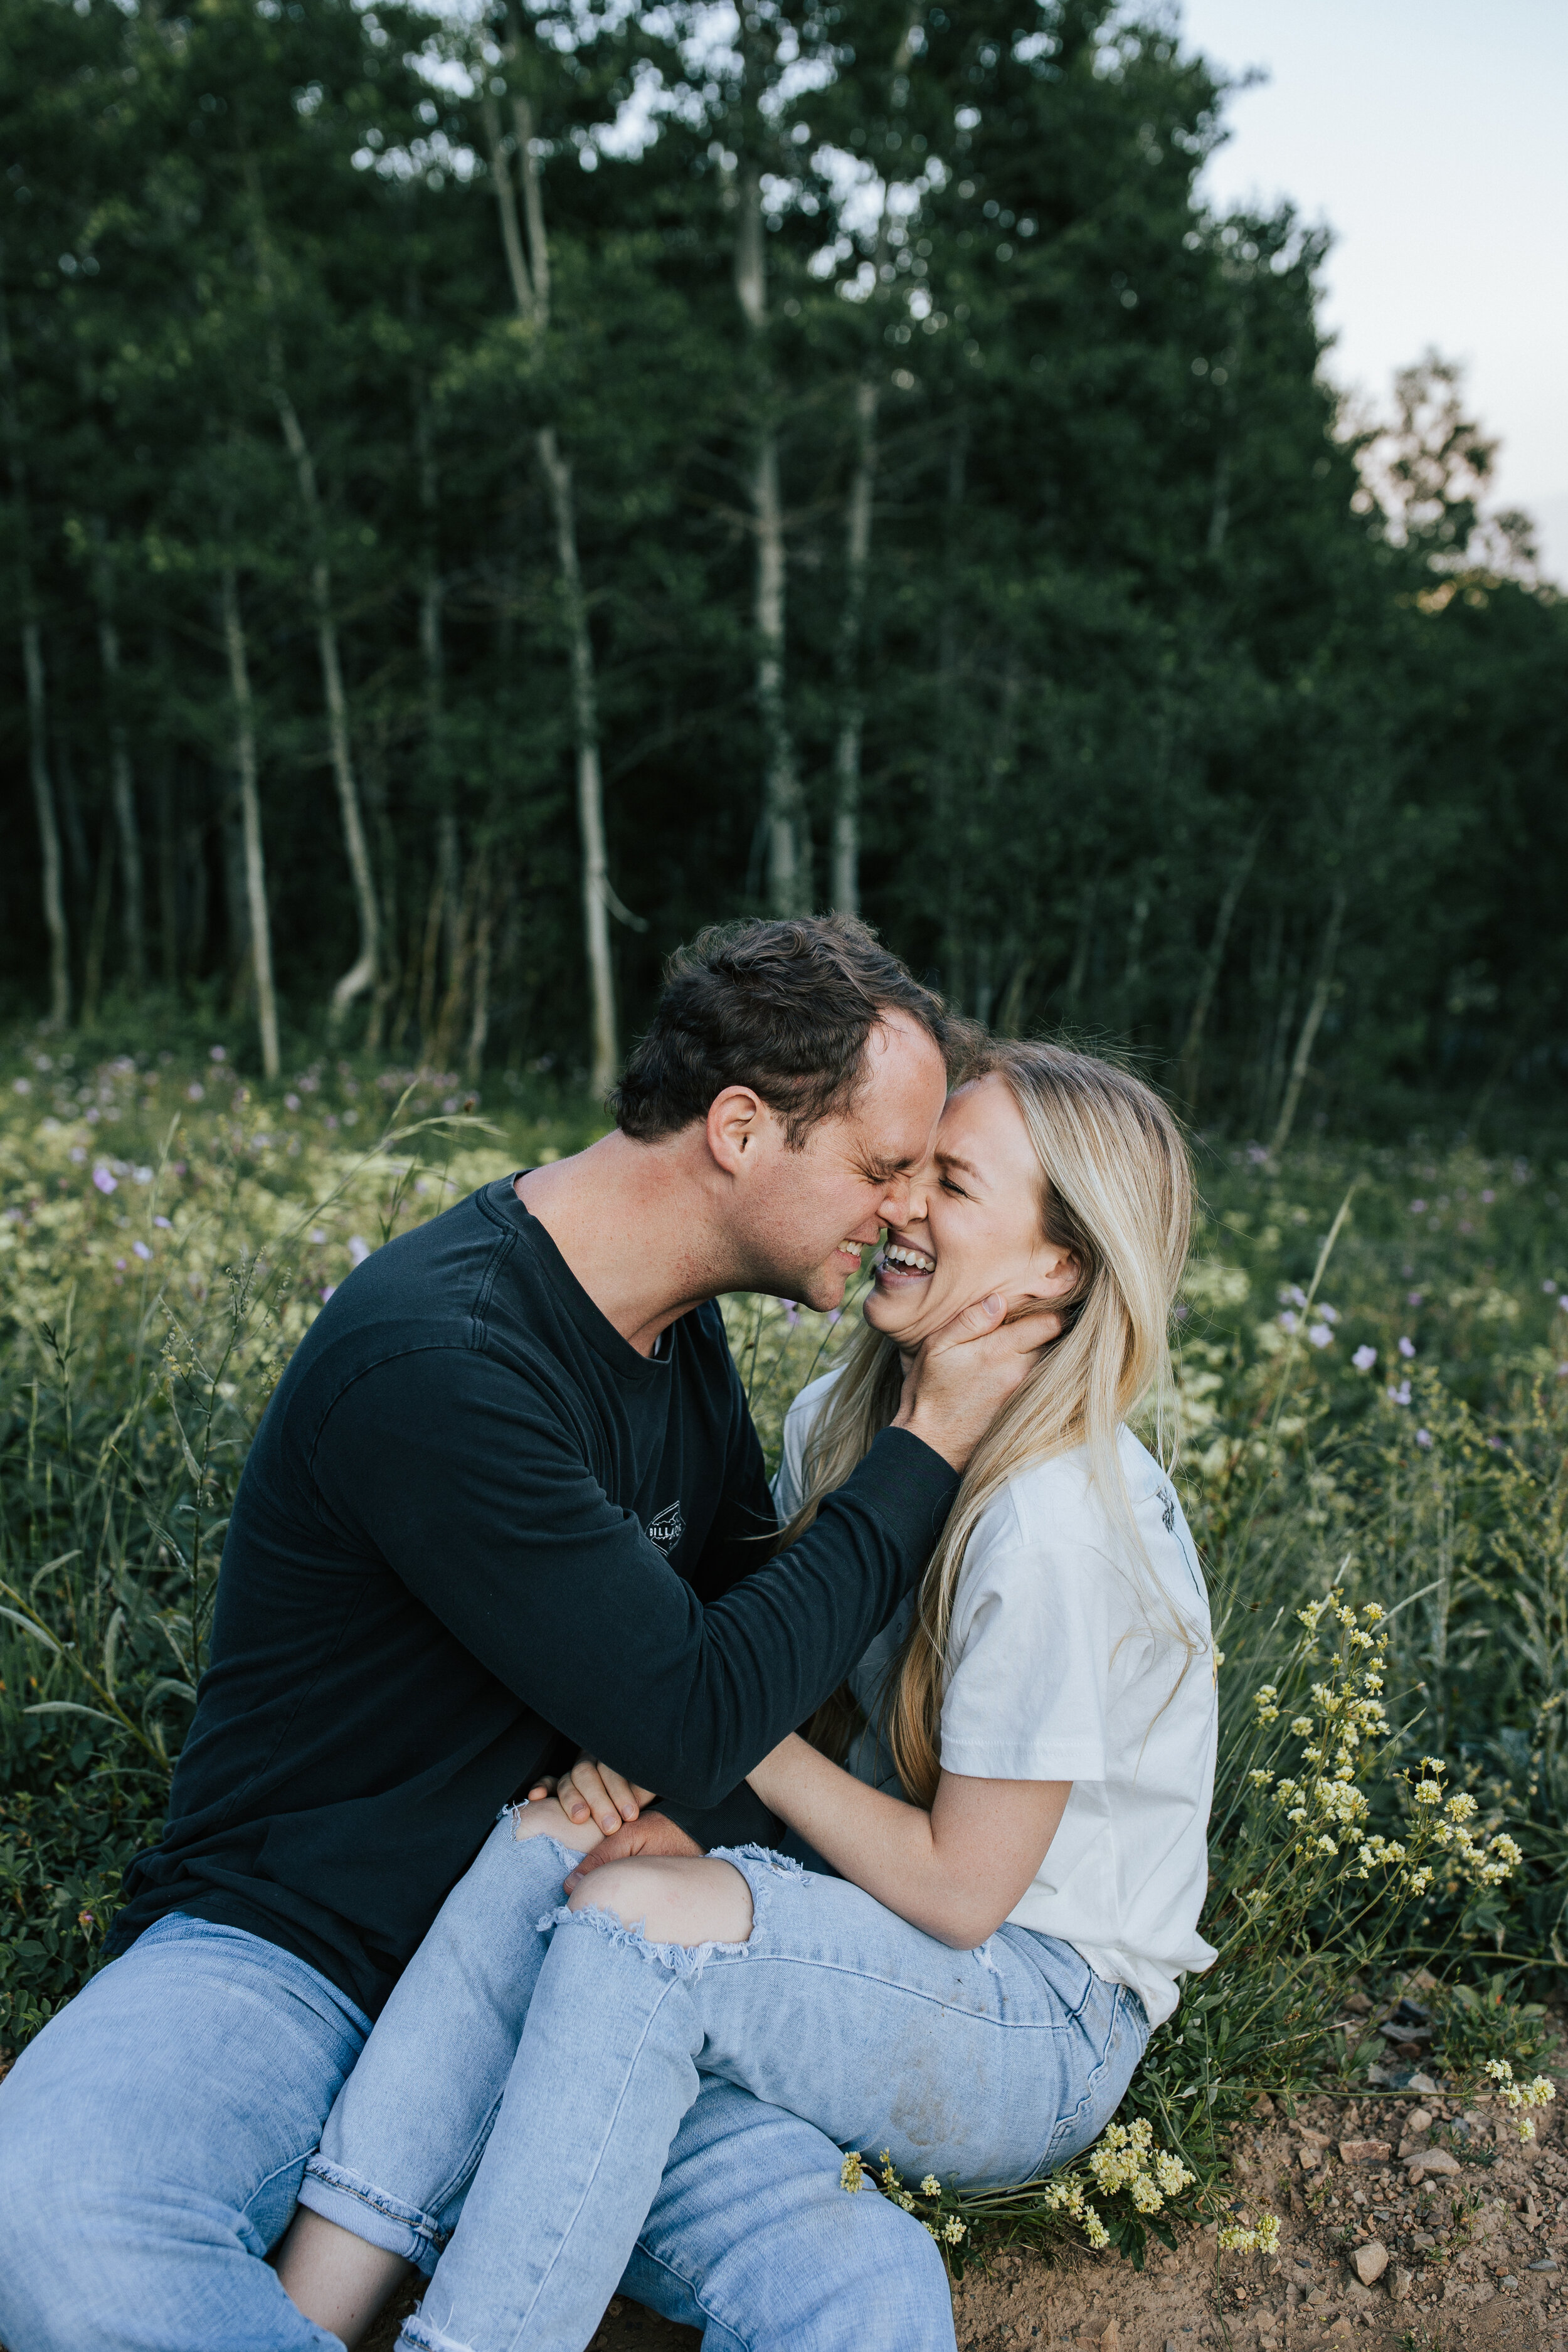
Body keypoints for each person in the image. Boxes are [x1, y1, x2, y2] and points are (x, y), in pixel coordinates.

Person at [0, 918, 1056, 2352]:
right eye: (879, 1167)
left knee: (860, 2291)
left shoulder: (674, 1344)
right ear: (741, 1130)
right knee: (49, 2213)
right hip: (301, 1954)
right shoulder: (444, 1358)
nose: (898, 1211)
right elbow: (698, 1712)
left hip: (571, 1967)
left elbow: (754, 1665)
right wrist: (927, 1442)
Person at [272, 1038, 1219, 2352]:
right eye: (899, 1171)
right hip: (869, 1934)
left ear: (1056, 1266)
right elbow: (806, 1696)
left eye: (949, 1183)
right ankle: (294, 2317)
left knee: (636, 1932)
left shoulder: (1050, 1519)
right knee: (553, 1843)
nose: (897, 1208)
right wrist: (684, 1790)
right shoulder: (845, 1415)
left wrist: (730, 1750)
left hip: (1030, 2013)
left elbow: (960, 1891)